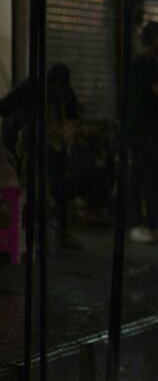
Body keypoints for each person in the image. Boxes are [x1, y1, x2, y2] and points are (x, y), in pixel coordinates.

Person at [0, 63, 85, 250]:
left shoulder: (62, 92)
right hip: (25, 142)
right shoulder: (30, 87)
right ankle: (37, 232)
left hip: (51, 144)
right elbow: (4, 107)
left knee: (60, 184)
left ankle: (56, 231)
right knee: (37, 185)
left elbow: (74, 114)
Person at [125, 21, 158, 245]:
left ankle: (153, 225)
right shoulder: (144, 63)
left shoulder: (152, 64)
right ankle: (142, 225)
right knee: (145, 178)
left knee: (150, 178)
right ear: (154, 41)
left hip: (153, 133)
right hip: (144, 133)